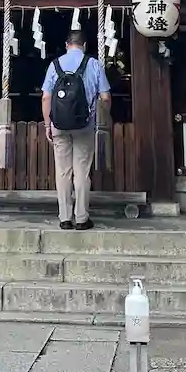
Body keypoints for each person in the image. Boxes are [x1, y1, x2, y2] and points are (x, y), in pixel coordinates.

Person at [41, 28, 111, 230]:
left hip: (59, 125)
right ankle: (81, 218)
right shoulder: (93, 64)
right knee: (81, 172)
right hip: (84, 125)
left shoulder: (55, 65)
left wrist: (47, 124)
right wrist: (103, 117)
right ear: (84, 45)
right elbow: (105, 97)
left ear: (66, 45)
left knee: (63, 172)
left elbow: (46, 97)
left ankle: (65, 218)